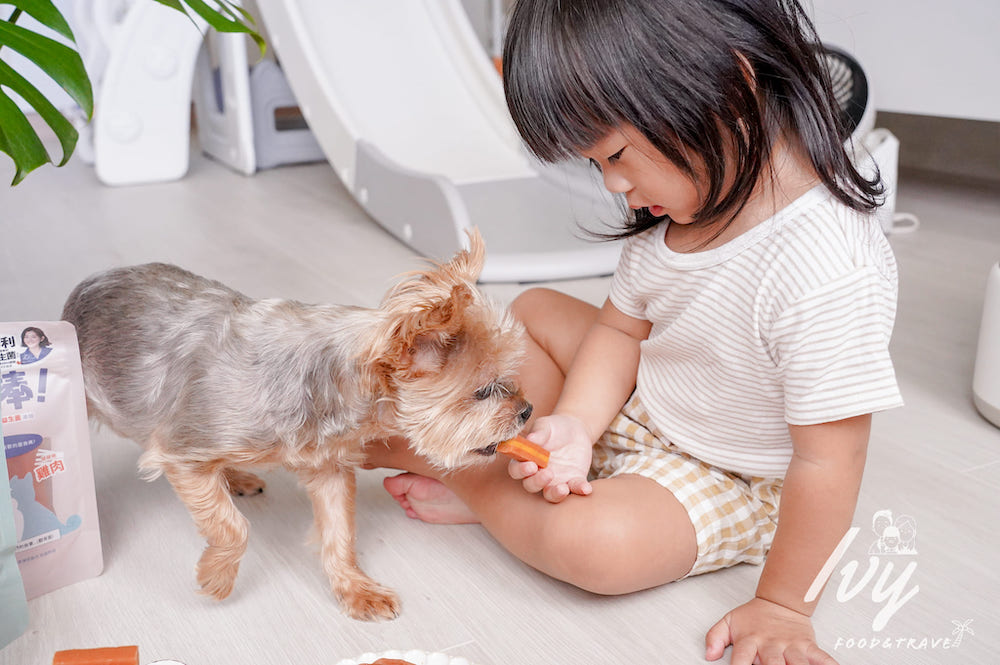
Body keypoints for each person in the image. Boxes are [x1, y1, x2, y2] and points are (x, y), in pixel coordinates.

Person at [367, 0, 903, 662]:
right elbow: (620, 334)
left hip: (732, 471)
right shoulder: (682, 209)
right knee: (532, 308)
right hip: (652, 394)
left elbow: (832, 458)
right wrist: (576, 427)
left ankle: (466, 474)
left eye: (616, 153)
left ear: (729, 84)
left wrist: (784, 604)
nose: (615, 186)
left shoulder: (825, 264)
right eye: (596, 164)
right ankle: (531, 473)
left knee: (595, 547)